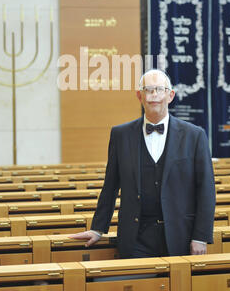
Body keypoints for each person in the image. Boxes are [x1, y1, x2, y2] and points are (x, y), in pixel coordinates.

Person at [70, 69, 216, 258]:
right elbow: (110, 186)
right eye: (148, 90)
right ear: (140, 96)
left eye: (159, 89)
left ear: (170, 95)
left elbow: (206, 189)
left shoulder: (195, 136)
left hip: (181, 236)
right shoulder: (120, 135)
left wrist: (201, 237)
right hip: (136, 237)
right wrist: (98, 228)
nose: (154, 95)